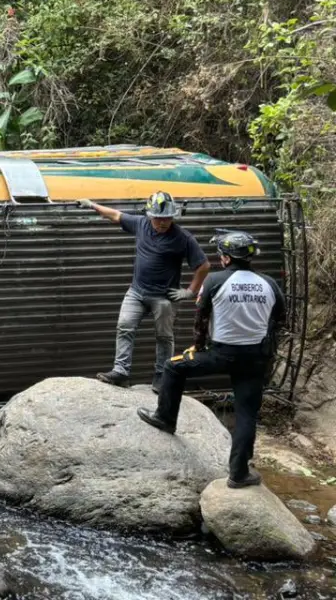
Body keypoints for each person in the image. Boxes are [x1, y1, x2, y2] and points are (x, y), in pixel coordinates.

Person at [137, 231, 284, 488]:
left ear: (226, 258)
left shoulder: (215, 280)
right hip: (256, 357)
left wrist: (198, 346)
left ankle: (165, 418)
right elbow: (279, 319)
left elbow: (201, 317)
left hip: (221, 353)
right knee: (246, 414)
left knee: (173, 367)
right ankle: (239, 474)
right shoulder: (269, 283)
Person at [79, 192, 210, 390]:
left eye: (167, 218)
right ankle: (121, 372)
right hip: (137, 292)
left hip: (164, 298)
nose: (163, 222)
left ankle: (161, 377)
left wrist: (190, 291)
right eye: (158, 218)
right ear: (150, 215)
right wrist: (92, 205)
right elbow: (115, 215)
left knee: (164, 337)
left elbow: (204, 265)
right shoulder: (141, 224)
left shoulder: (183, 238)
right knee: (124, 326)